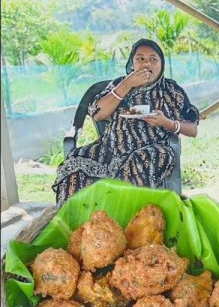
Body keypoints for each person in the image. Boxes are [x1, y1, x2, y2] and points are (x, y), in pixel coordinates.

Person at [53, 39, 199, 205]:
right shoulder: (119, 84)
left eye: (153, 59)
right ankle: (73, 216)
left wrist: (166, 122)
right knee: (76, 162)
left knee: (145, 158)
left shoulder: (171, 90)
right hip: (109, 148)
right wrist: (127, 84)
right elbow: (98, 114)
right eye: (140, 59)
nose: (146, 64)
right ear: (132, 63)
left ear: (161, 64)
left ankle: (120, 211)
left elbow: (193, 129)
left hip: (152, 148)